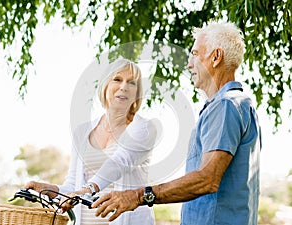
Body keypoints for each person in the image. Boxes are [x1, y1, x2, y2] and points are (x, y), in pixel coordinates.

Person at [91, 22, 262, 225]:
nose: (189, 63)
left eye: (195, 53)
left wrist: (138, 196)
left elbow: (207, 179)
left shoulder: (225, 105)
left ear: (216, 57)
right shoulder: (233, 105)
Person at [24, 58, 158, 225]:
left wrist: (87, 190)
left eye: (132, 83)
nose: (124, 86)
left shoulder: (144, 128)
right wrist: (49, 189)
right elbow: (73, 185)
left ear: (137, 92)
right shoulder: (82, 132)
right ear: (105, 85)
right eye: (117, 79)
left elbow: (119, 163)